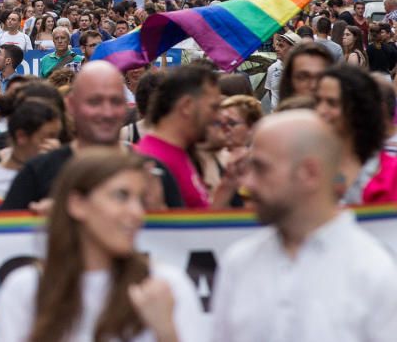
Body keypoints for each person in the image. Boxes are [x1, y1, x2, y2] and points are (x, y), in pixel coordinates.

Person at [211, 110, 397, 342]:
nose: (248, 184)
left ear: (309, 173)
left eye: (261, 168)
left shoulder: (373, 272)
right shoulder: (238, 263)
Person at [0, 149, 206, 342]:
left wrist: (167, 334)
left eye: (140, 199)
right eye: (121, 196)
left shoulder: (167, 285)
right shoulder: (26, 289)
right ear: (77, 204)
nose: (137, 213)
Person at [1, 62, 130, 211]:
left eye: (116, 101)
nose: (107, 112)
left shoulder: (148, 171)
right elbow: (4, 231)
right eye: (94, 102)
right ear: (71, 105)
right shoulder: (38, 171)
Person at [134, 65, 222, 209]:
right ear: (187, 106)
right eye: (213, 107)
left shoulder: (180, 152)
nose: (219, 117)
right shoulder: (154, 162)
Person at [0, 99, 61, 215]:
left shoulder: (61, 179)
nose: (54, 144)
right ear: (21, 136)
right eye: (47, 137)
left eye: (56, 137)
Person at [314, 64, 387, 204]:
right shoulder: (307, 166)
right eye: (318, 101)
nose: (321, 110)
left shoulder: (389, 172)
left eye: (332, 103)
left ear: (359, 109)